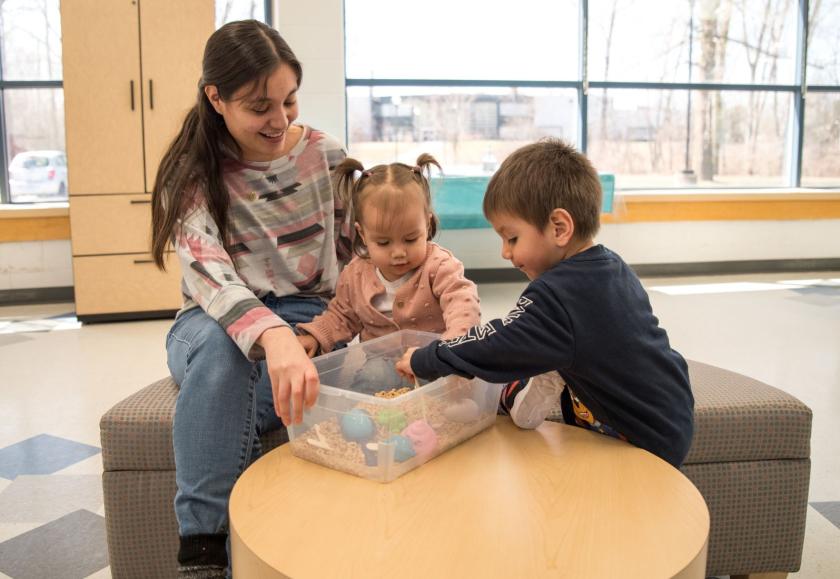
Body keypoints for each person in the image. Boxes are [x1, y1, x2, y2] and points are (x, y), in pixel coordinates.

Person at [150, 20, 351, 578]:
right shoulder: (192, 171)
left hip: (309, 320)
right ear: (216, 97)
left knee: (270, 384)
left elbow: (363, 260)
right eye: (260, 106)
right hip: (210, 323)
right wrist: (272, 334)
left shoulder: (324, 156)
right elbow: (209, 276)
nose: (281, 119)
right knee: (221, 357)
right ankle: (204, 555)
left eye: (289, 101)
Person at [396, 139, 694, 468]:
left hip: (637, 438)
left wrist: (428, 358)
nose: (505, 253)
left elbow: (498, 342)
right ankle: (547, 369)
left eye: (512, 238)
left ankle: (540, 373)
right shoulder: (610, 265)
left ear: (559, 228)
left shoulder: (556, 295)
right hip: (671, 414)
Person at [296, 154, 481, 377]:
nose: (399, 253)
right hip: (382, 366)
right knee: (368, 384)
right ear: (362, 234)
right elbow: (342, 316)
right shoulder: (355, 274)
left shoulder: (440, 266)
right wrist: (315, 335)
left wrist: (450, 348)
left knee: (461, 406)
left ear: (427, 223)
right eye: (383, 242)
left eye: (411, 239)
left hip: (433, 363)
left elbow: (463, 306)